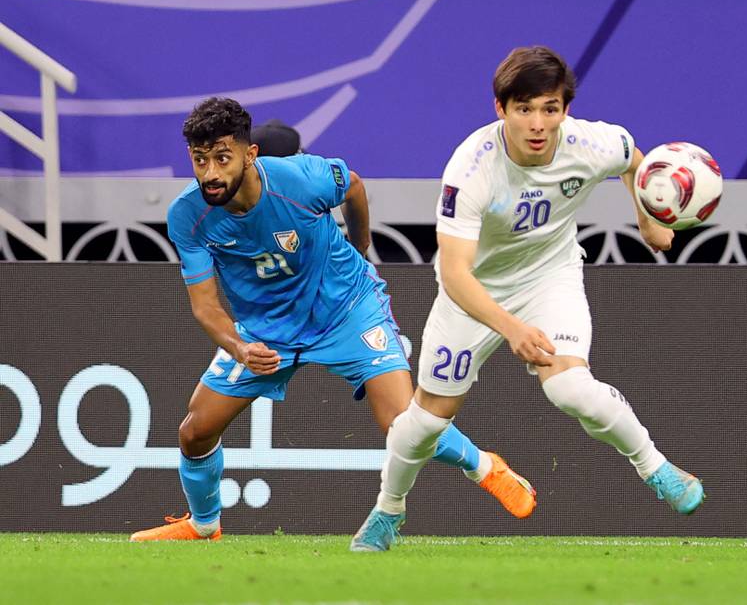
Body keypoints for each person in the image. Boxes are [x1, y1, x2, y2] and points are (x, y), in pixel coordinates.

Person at [129, 97, 536, 542]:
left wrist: (360, 250)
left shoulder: (300, 179)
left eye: (222, 158)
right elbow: (206, 305)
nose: (209, 173)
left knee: (402, 421)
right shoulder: (188, 216)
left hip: (345, 309)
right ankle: (204, 525)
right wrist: (240, 348)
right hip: (265, 332)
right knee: (195, 431)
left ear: (250, 155)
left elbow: (355, 187)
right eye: (199, 159)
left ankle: (484, 466)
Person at [351, 46, 705, 552]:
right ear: (501, 109)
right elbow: (454, 273)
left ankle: (658, 469)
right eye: (524, 109)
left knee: (570, 389)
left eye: (550, 109)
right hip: (473, 291)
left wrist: (646, 216)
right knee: (425, 420)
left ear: (564, 109)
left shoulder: (590, 143)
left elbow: (632, 158)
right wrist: (511, 327)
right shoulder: (472, 168)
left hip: (549, 277)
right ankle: (388, 511)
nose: (538, 123)